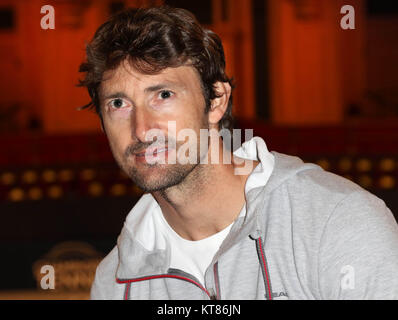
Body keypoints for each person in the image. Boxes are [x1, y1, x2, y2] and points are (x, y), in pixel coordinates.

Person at [78, 6, 398, 300]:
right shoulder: (115, 282)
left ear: (216, 101)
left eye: (163, 94)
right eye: (118, 103)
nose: (142, 129)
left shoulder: (336, 222)